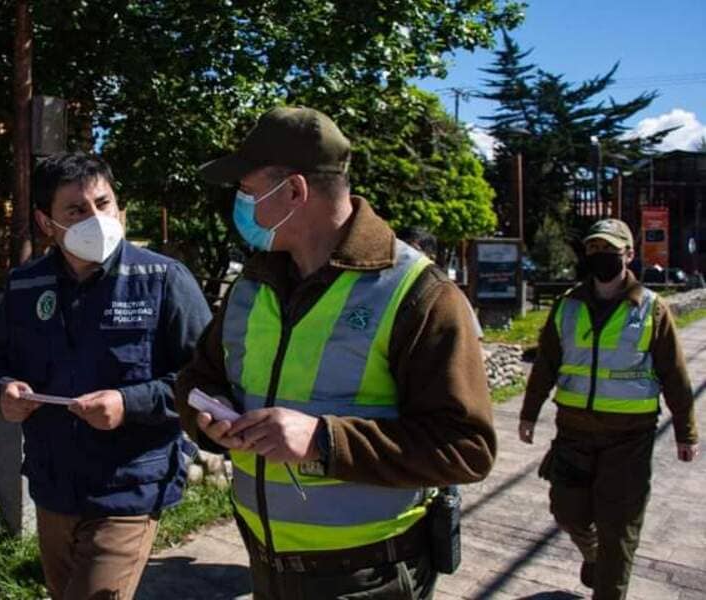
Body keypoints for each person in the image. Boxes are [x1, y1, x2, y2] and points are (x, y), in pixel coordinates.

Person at [175, 106, 496, 599]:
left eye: (247, 190)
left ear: (295, 192)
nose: (239, 204)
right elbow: (198, 378)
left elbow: (466, 448)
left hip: (369, 579)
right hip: (266, 566)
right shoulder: (253, 284)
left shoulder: (418, 293)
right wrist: (208, 418)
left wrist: (323, 442)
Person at [0, 152, 212, 600]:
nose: (97, 218)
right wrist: (2, 391)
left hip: (128, 488)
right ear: (46, 222)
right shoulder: (25, 286)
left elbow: (205, 383)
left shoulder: (163, 279)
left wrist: (130, 403)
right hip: (53, 488)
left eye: (103, 203)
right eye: (77, 210)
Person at [519, 218, 700, 600]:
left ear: (629, 255)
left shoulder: (652, 309)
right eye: (595, 249)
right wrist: (528, 413)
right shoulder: (567, 307)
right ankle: (593, 553)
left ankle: (608, 585)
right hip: (573, 431)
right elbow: (546, 365)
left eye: (610, 250)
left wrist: (686, 432)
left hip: (629, 438)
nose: (601, 256)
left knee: (619, 528)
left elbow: (676, 377)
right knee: (567, 511)